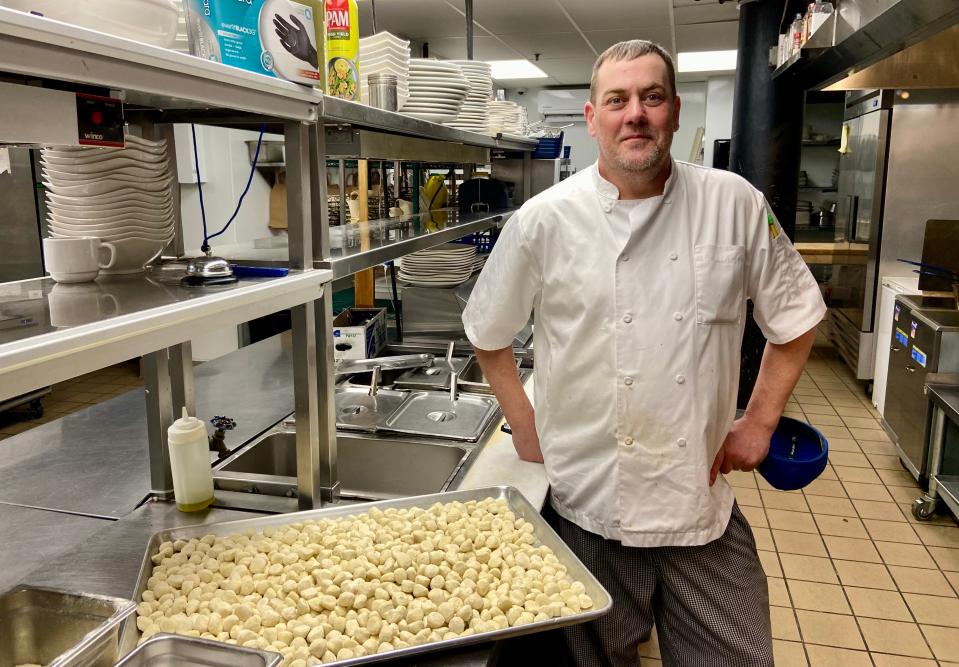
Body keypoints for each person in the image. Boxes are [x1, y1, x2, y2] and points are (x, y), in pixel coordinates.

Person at [462, 39, 826, 666]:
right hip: (586, 509)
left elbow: (794, 320)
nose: (636, 114)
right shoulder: (543, 221)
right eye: (618, 100)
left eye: (651, 98)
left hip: (698, 506)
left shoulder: (734, 204)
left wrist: (761, 421)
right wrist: (524, 423)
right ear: (592, 117)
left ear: (675, 112)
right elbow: (487, 333)